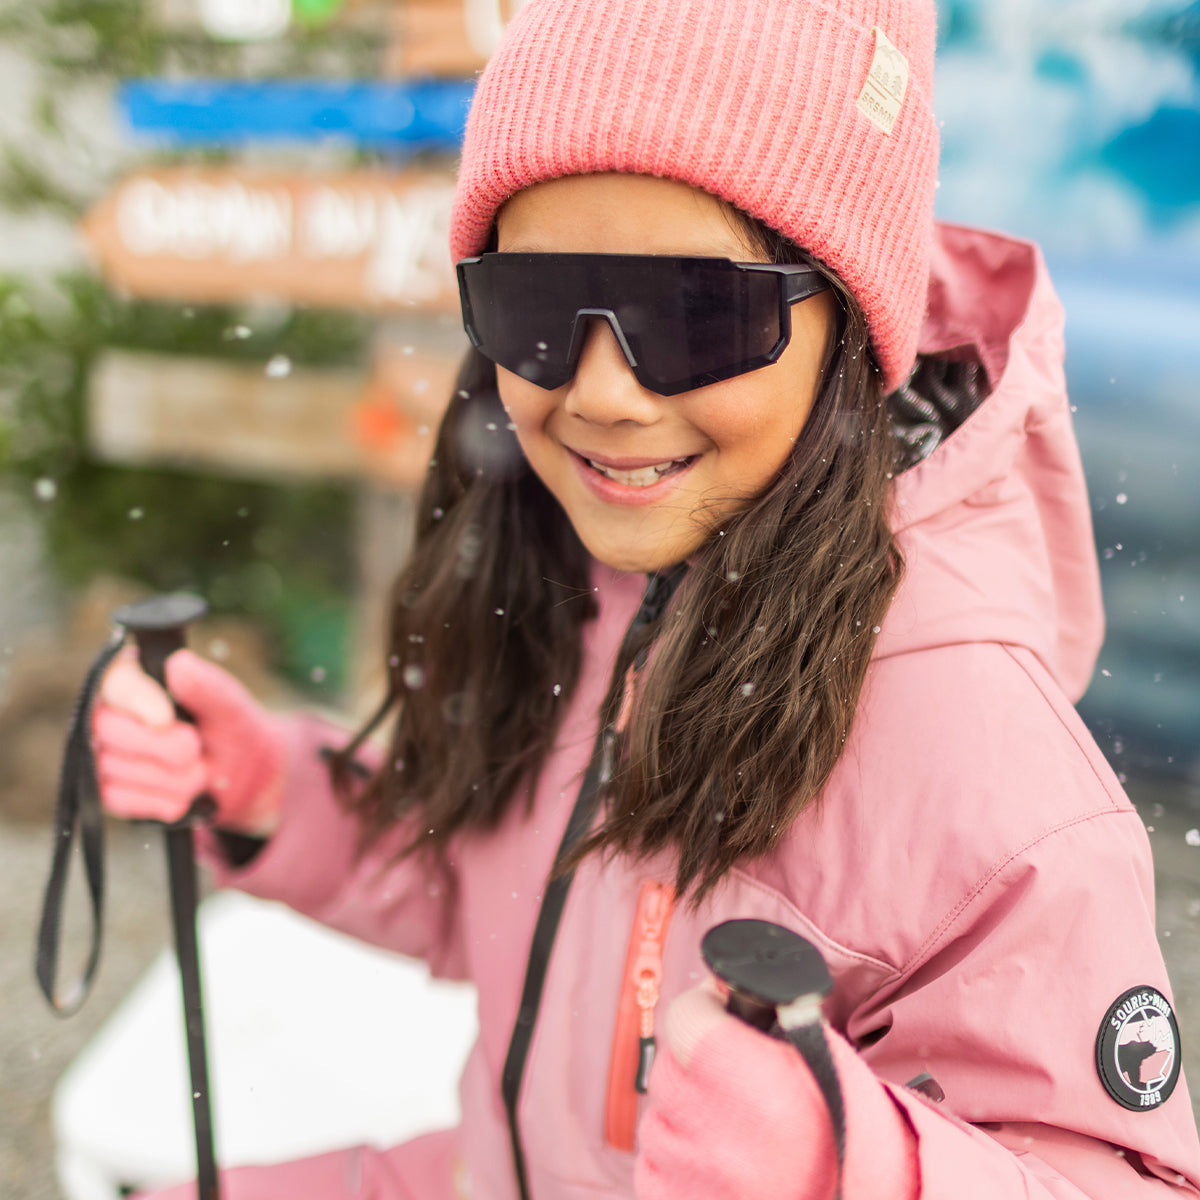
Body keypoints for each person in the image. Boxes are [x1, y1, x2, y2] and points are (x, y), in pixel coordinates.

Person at [92, 0, 1200, 1196]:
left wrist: (858, 1168)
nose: (606, 394)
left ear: (855, 325)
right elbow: (504, 894)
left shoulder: (976, 755)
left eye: (698, 311)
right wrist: (273, 793)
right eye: (533, 310)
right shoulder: (583, 575)